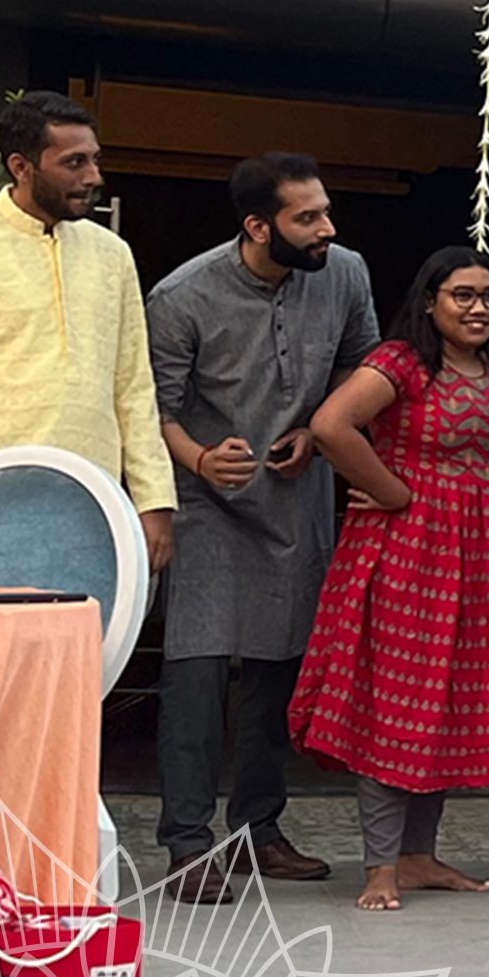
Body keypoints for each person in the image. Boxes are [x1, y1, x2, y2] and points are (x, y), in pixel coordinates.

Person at [287, 248, 489, 913]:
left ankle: (418, 857)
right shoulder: (402, 365)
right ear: (431, 301)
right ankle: (381, 865)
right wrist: (392, 491)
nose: (479, 308)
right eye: (463, 295)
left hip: (479, 557)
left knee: (447, 700)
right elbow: (331, 425)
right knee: (399, 698)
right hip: (405, 550)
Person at [147, 152, 379, 905]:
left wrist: (318, 429)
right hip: (206, 503)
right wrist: (199, 458)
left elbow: (363, 368)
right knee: (197, 670)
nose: (326, 229)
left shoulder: (345, 273)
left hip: (295, 496)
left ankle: (258, 831)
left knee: (279, 672)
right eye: (307, 218)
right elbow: (152, 407)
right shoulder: (182, 295)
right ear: (257, 227)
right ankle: (188, 845)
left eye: (325, 211)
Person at [0, 90, 174, 564]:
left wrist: (154, 500)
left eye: (94, 160)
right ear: (21, 167)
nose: (93, 177)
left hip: (93, 502)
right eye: (74, 163)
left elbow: (133, 387)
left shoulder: (112, 255)